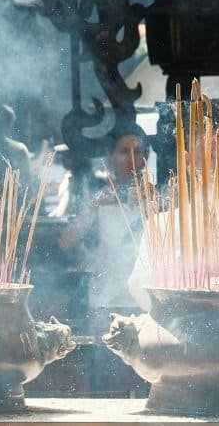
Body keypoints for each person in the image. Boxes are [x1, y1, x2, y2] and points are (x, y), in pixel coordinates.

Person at [57, 123, 151, 323]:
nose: (132, 159)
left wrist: (156, 206)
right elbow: (66, 241)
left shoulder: (157, 198)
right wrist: (93, 206)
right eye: (124, 152)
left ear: (146, 157)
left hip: (145, 300)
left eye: (138, 151)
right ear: (111, 157)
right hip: (105, 299)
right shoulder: (100, 198)